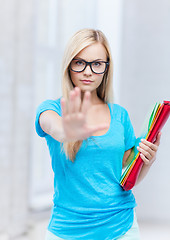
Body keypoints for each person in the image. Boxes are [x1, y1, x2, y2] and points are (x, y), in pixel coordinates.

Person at [35, 29, 161, 240]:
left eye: (97, 64)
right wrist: (66, 131)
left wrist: (147, 160)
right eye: (79, 62)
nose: (87, 71)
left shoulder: (119, 115)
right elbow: (52, 125)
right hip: (67, 229)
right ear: (69, 65)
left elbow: (127, 176)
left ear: (106, 68)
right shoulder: (51, 109)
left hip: (121, 225)